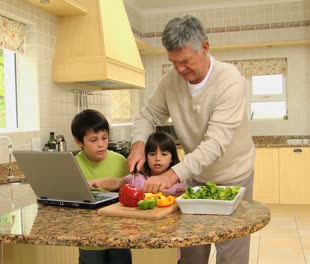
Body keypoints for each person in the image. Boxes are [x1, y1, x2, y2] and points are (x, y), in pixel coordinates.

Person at [127, 15, 255, 264]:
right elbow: (146, 116)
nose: (180, 69)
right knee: (191, 251)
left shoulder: (231, 81)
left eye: (185, 61)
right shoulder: (171, 81)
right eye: (173, 62)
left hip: (234, 176)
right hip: (197, 176)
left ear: (205, 48)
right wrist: (138, 145)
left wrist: (171, 175)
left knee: (232, 253)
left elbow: (215, 143)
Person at [70, 109, 131, 264]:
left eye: (104, 138)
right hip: (88, 238)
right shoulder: (73, 166)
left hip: (120, 234)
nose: (101, 144)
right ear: (78, 141)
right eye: (93, 140)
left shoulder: (120, 161)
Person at [88, 131, 186, 196]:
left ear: (172, 158)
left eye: (164, 154)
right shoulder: (138, 178)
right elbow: (116, 182)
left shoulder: (180, 180)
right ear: (145, 157)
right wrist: (94, 183)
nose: (157, 159)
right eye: (152, 154)